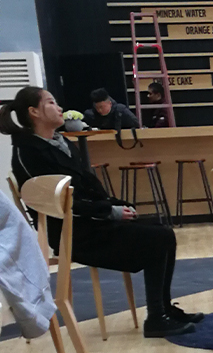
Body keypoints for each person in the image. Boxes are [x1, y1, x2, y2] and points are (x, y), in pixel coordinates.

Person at [0, 86, 201, 337]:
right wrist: (109, 211)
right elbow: (62, 202)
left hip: (90, 222)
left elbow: (88, 185)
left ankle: (164, 310)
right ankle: (156, 319)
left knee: (163, 232)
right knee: (158, 238)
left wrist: (116, 204)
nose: (59, 108)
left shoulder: (59, 142)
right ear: (34, 112)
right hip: (73, 234)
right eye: (51, 103)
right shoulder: (28, 153)